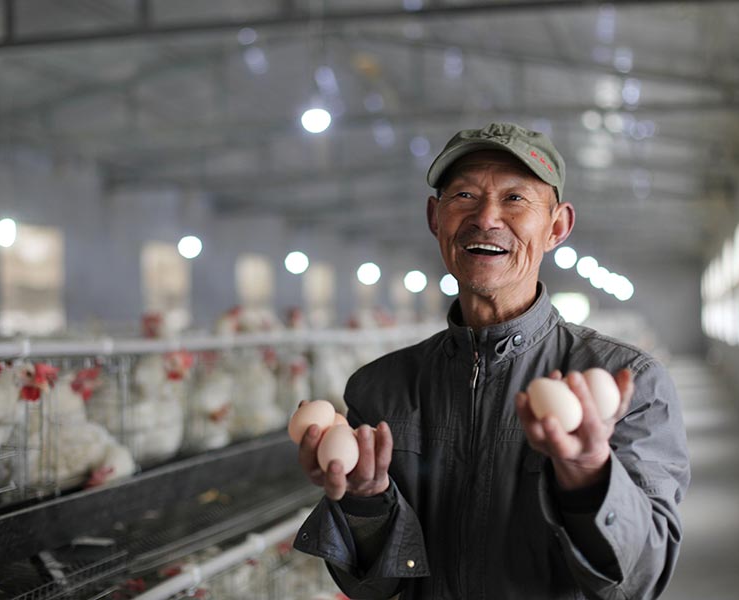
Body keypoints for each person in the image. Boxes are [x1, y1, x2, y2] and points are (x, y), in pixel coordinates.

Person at [294, 122, 690, 600]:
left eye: (515, 199)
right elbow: (380, 586)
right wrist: (365, 501)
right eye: (463, 195)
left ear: (557, 226)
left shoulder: (627, 384)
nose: (486, 217)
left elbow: (641, 580)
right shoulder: (380, 389)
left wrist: (590, 474)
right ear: (434, 217)